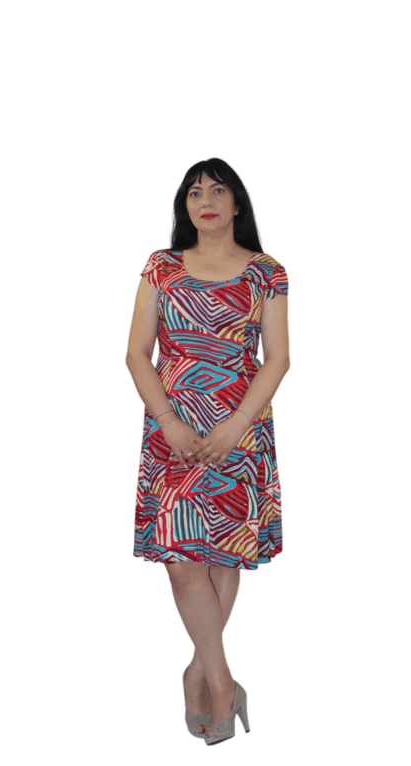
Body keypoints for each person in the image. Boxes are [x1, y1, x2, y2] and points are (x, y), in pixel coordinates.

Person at [126, 157, 290, 745]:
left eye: (218, 190)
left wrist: (236, 427)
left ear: (237, 203)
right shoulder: (162, 267)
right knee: (182, 562)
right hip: (173, 434)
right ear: (185, 207)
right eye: (195, 193)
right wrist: (168, 421)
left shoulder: (266, 272)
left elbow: (278, 359)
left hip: (239, 432)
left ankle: (200, 670)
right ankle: (222, 681)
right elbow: (136, 353)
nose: (206, 201)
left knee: (221, 556)